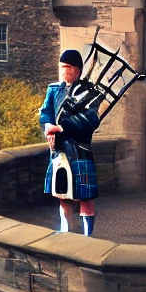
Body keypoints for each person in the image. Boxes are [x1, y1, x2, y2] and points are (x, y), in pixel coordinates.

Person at [39, 49, 100, 235]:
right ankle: (66, 234)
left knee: (85, 198)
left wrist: (62, 128)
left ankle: (88, 237)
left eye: (68, 67)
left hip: (80, 148)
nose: (64, 71)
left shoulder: (90, 93)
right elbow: (45, 112)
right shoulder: (54, 89)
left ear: (77, 70)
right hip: (59, 150)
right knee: (62, 196)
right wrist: (49, 126)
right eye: (63, 67)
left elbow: (91, 120)